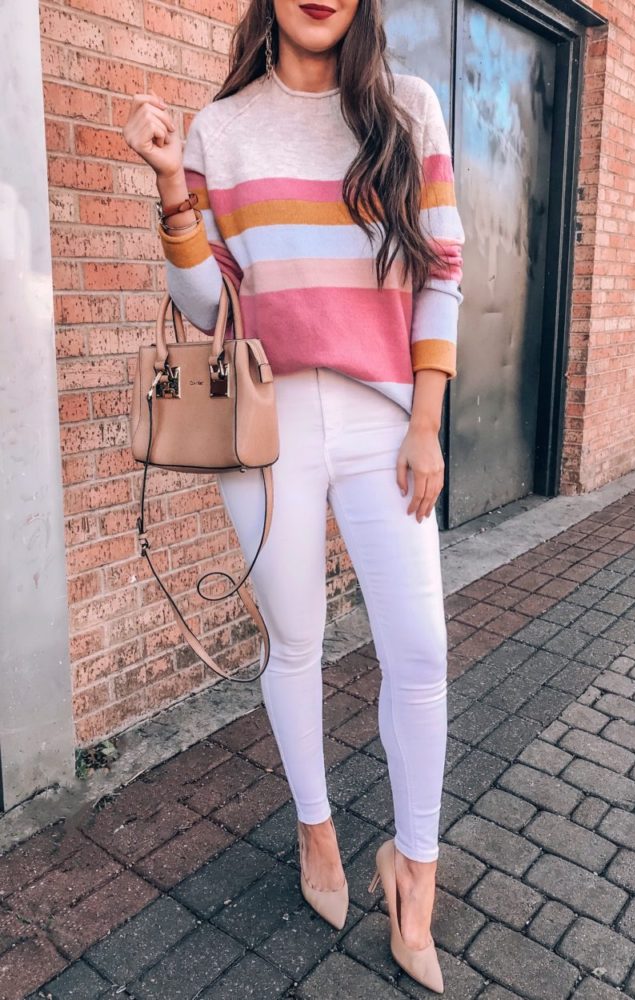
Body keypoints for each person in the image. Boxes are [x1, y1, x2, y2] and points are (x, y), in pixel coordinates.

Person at [123, 0, 464, 991]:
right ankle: (317, 831)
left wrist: (428, 420)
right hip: (263, 422)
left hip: (383, 419)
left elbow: (440, 268)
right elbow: (205, 301)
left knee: (422, 648)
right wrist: (167, 185)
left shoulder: (407, 109)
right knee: (295, 637)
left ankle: (414, 870)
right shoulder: (219, 130)